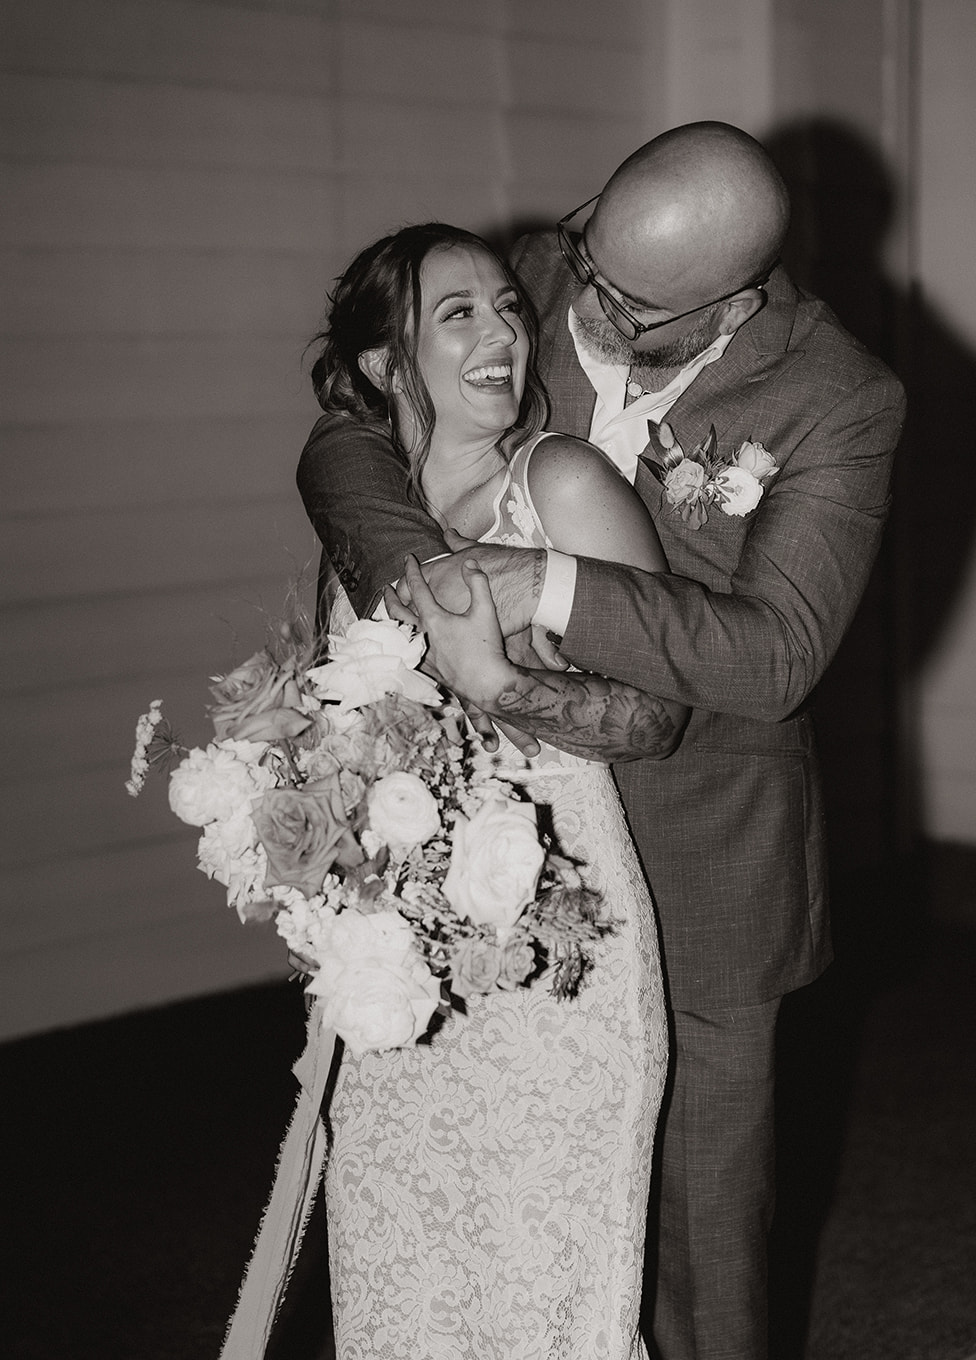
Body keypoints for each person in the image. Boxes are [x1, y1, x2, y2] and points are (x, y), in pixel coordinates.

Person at [298, 123, 907, 1360]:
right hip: (484, 847)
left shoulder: (839, 396)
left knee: (696, 1237)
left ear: (735, 295)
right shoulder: (527, 279)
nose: (583, 302)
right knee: (502, 1192)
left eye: (633, 301)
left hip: (705, 856)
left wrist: (547, 584)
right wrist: (432, 589)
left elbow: (776, 655)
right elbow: (355, 431)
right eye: (586, 256)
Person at [304, 222, 687, 1359]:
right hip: (395, 958)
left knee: (545, 1283)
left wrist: (495, 682)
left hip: (560, 941)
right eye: (457, 312)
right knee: (403, 1265)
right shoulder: (370, 529)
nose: (502, 332)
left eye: (509, 305)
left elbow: (657, 714)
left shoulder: (561, 483)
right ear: (386, 361)